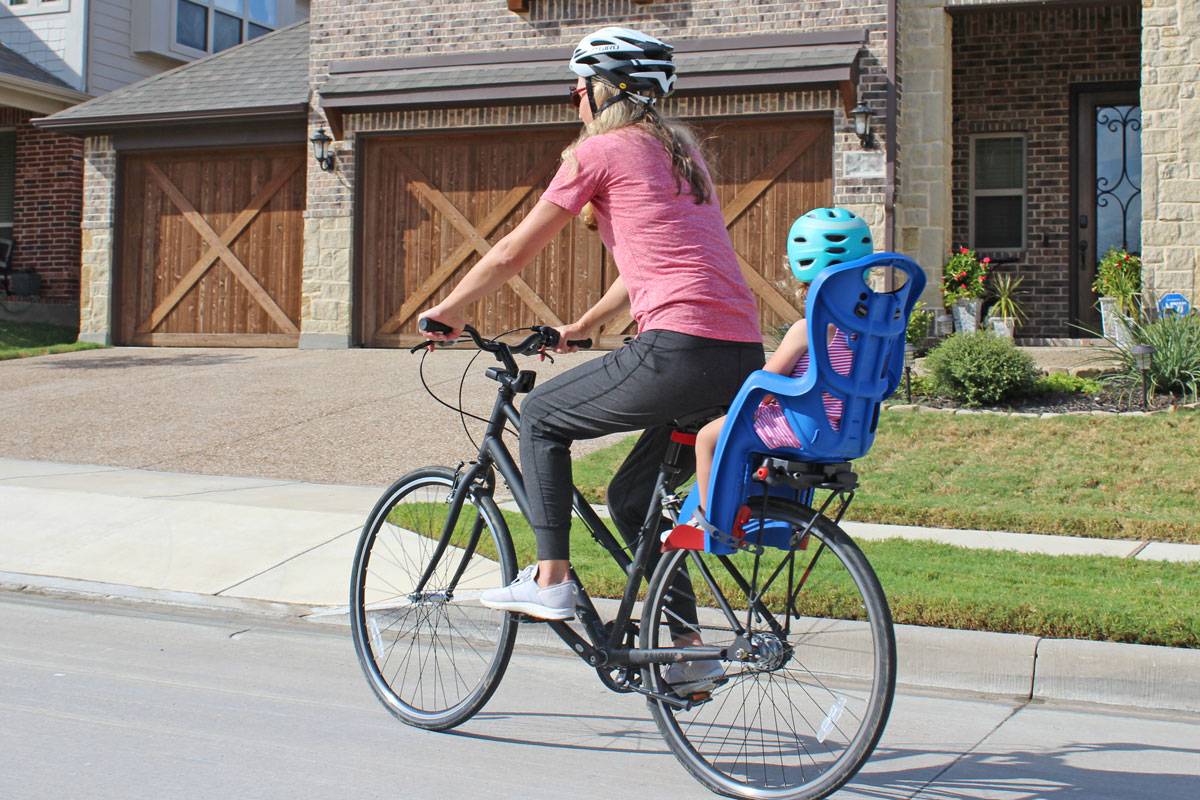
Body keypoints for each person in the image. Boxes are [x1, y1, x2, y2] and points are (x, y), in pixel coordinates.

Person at [418, 27, 764, 692]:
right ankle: (688, 650)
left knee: (543, 414)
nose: (573, 97)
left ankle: (549, 581)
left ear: (602, 90)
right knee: (634, 501)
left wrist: (451, 310)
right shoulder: (684, 155)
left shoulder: (598, 152)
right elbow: (657, 266)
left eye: (578, 85)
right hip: (736, 355)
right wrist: (582, 325)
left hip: (678, 349)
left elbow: (511, 253)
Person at [673, 208, 874, 539]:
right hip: (847, 430)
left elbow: (769, 380)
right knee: (750, 433)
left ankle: (708, 522)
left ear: (805, 283)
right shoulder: (869, 334)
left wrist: (747, 400)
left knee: (709, 436)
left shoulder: (806, 329)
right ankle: (792, 529)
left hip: (803, 426)